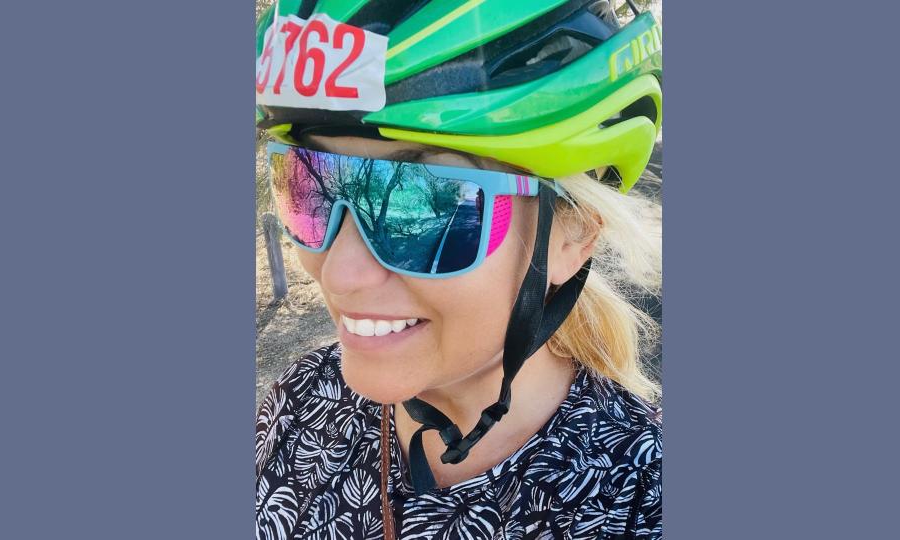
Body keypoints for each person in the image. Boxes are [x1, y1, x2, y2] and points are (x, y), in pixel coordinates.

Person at [255, 1, 663, 538]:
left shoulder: (644, 500)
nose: (339, 275)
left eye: (427, 202)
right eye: (308, 181)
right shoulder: (299, 406)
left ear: (577, 232)